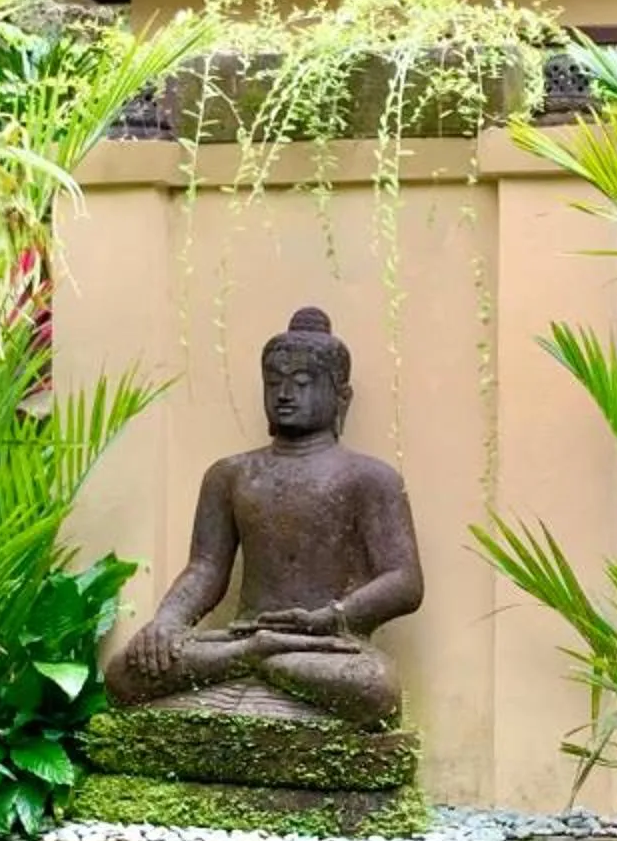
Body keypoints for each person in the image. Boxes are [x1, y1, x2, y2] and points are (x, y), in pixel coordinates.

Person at [107, 307, 424, 728]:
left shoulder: (370, 478)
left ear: (341, 396)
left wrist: (332, 618)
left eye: (304, 382)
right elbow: (205, 568)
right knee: (123, 672)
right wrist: (168, 622)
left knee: (376, 687)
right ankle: (256, 658)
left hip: (325, 647)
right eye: (274, 382)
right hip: (241, 637)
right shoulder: (230, 474)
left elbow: (405, 581)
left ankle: (257, 665)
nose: (285, 393)